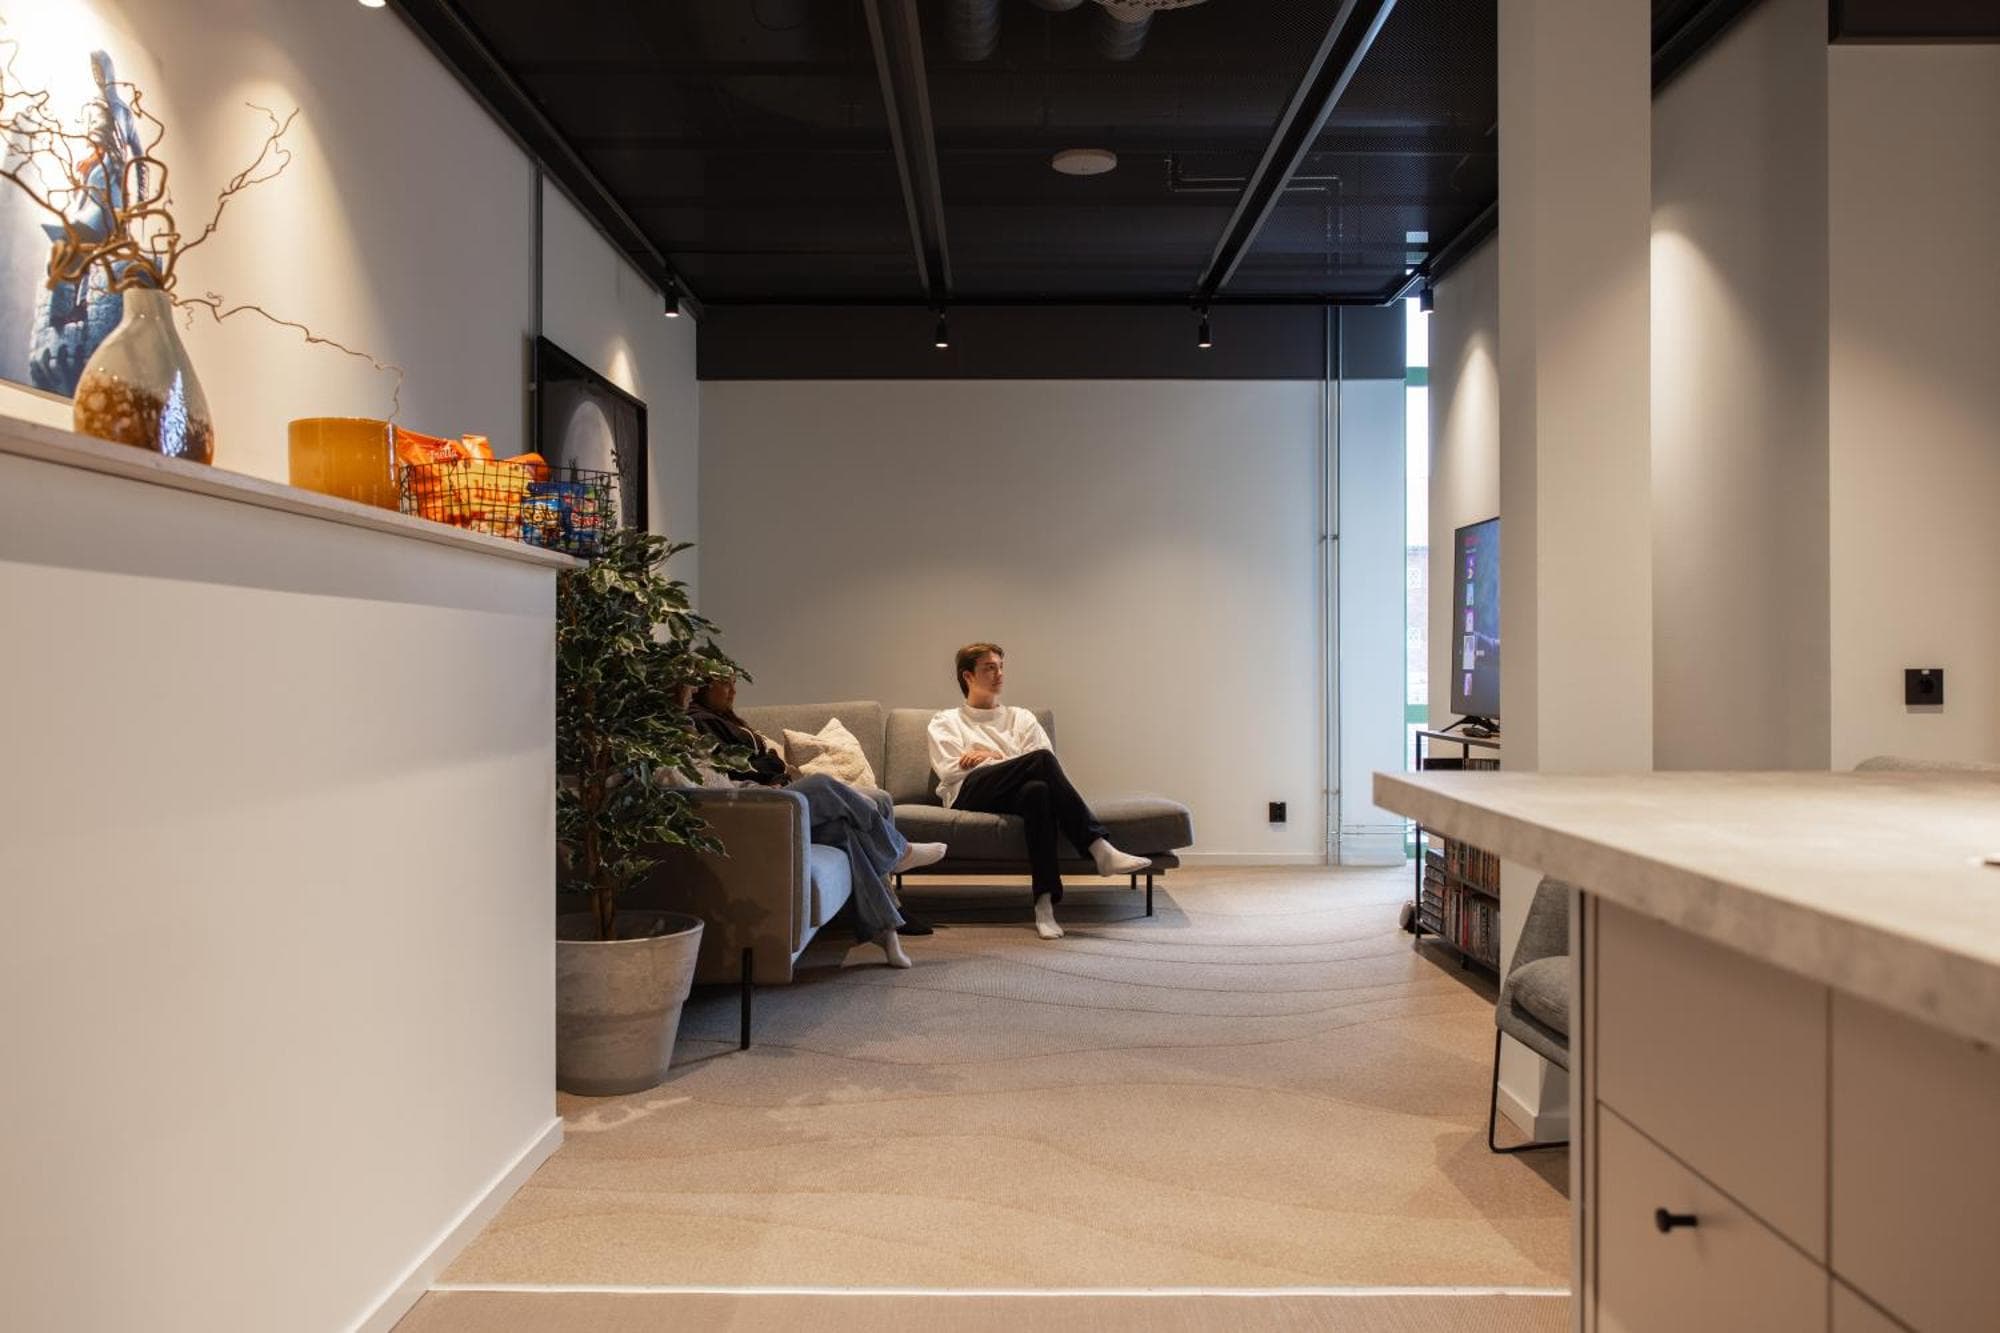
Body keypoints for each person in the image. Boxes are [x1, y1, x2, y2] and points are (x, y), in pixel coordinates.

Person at [689, 678, 945, 967]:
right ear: (699, 687)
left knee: (848, 829)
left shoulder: (725, 720)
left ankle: (884, 929)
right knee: (822, 783)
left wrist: (768, 765)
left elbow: (767, 762)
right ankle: (899, 852)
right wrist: (766, 772)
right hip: (757, 800)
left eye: (734, 684)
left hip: (770, 790)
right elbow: (741, 769)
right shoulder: (699, 722)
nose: (733, 691)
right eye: (725, 684)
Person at [927, 643, 1150, 940]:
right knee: (1039, 762)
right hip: (968, 794)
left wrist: (989, 755)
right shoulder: (946, 721)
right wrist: (1007, 761)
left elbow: (1044, 766)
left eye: (1001, 667)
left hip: (1013, 795)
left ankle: (1044, 904)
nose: (999, 674)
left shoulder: (1021, 718)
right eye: (989, 668)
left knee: (1038, 791)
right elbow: (950, 770)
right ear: (968, 676)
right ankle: (1099, 847)